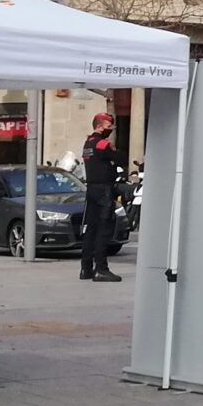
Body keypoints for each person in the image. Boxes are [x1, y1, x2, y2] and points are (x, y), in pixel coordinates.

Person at [77, 111, 123, 283]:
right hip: (104, 189)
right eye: (109, 126)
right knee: (104, 229)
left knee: (91, 229)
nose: (110, 130)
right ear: (99, 125)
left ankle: (86, 268)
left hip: (91, 189)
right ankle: (101, 269)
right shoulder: (103, 144)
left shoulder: (87, 144)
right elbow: (120, 158)